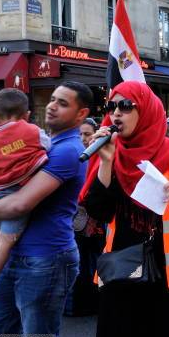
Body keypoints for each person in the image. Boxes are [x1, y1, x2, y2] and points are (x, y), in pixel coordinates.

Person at [81, 81, 169, 337]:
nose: (116, 113)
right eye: (111, 106)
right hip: (123, 269)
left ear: (147, 111)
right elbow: (98, 211)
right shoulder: (112, 153)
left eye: (126, 106)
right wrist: (106, 162)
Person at [0, 81, 92, 337]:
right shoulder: (43, 142)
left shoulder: (68, 150)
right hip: (16, 253)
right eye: (53, 99)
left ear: (82, 114)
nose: (53, 106)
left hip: (45, 260)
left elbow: (20, 204)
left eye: (63, 103)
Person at [0, 89, 51, 297]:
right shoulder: (32, 130)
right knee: (6, 241)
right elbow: (47, 145)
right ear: (27, 115)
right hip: (17, 191)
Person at [66, 117, 105, 317]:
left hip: (97, 221)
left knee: (94, 262)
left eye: (87, 134)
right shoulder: (72, 156)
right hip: (74, 220)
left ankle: (94, 303)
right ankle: (76, 306)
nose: (83, 138)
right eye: (79, 134)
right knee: (78, 263)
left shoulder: (102, 156)